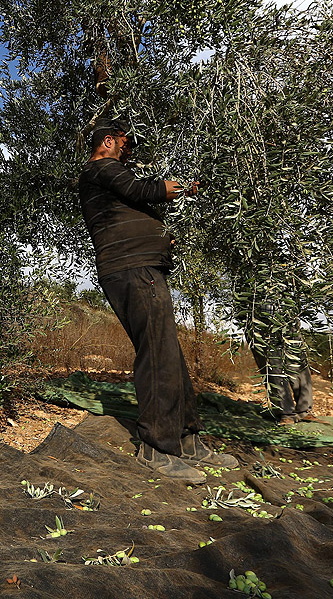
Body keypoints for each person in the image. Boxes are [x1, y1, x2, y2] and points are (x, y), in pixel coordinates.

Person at [78, 122, 238, 483]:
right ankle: (155, 448)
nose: (129, 150)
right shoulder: (101, 167)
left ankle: (187, 439)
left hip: (142, 269)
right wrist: (177, 189)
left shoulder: (106, 174)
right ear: (108, 142)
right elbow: (141, 189)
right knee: (156, 355)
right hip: (132, 271)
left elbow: (132, 200)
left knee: (169, 355)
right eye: (125, 142)